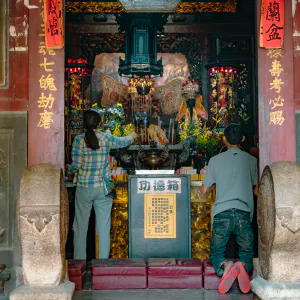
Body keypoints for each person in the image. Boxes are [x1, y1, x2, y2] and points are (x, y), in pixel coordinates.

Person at [68, 109, 137, 259]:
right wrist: (132, 136)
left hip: (84, 188)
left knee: (80, 227)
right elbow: (123, 141)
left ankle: (80, 264)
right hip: (103, 187)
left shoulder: (78, 140)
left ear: (84, 123)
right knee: (103, 228)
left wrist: (67, 169)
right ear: (99, 123)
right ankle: (102, 264)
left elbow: (76, 166)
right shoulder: (105, 137)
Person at [200, 123, 258, 294]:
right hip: (243, 212)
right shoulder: (252, 161)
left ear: (223, 139)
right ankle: (242, 265)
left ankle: (225, 265)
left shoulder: (215, 161)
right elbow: (256, 190)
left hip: (222, 213)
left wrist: (212, 186)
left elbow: (204, 190)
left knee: (216, 253)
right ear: (243, 139)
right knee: (247, 252)